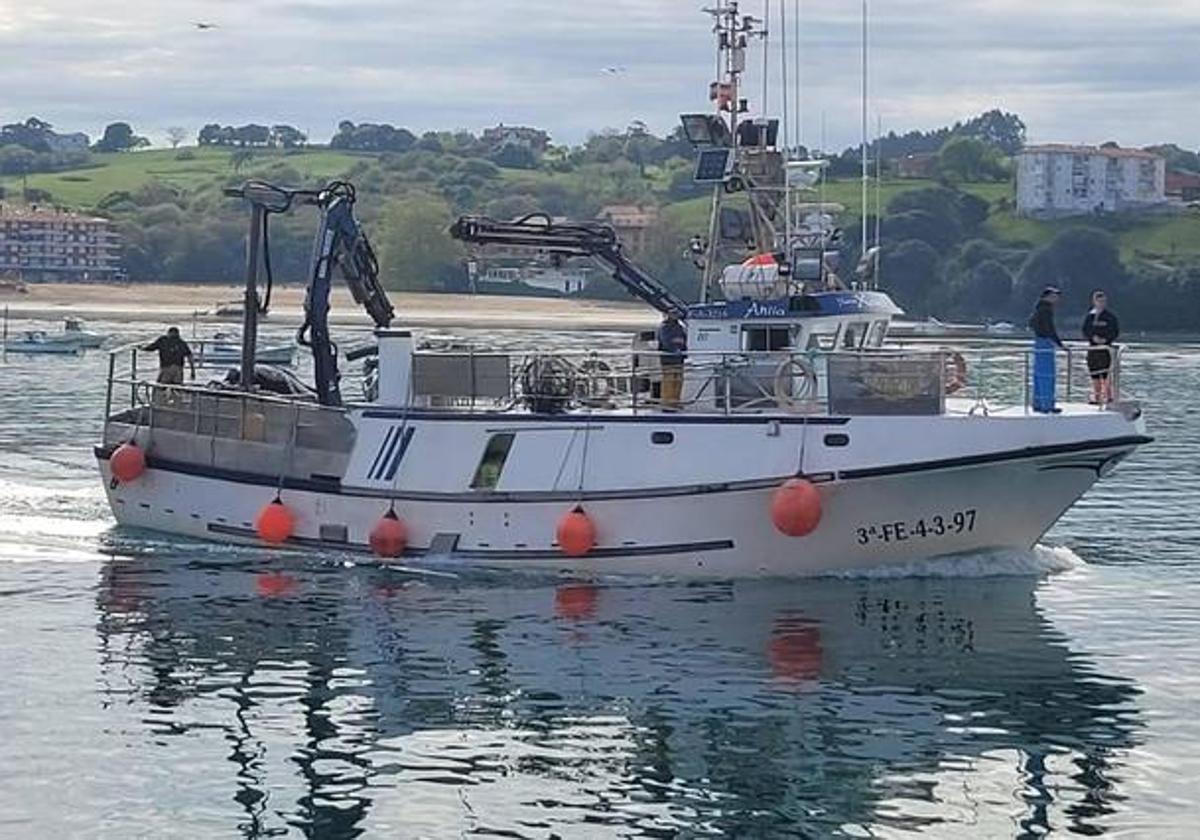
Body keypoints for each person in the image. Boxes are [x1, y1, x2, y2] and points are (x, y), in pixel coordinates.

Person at [1027, 286, 1064, 413]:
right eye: (1054, 296)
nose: (1057, 298)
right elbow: (1050, 329)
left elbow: (1031, 323)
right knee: (1047, 375)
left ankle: (1037, 403)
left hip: (1038, 343)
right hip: (1046, 343)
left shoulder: (1037, 308)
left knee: (1038, 374)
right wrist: (1060, 345)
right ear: (1047, 297)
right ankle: (1047, 405)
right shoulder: (1047, 310)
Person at [1081, 289, 1120, 405]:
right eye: (1099, 301)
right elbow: (1085, 330)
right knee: (1094, 373)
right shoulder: (1090, 316)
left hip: (1105, 349)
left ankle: (1109, 397)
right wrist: (1092, 338)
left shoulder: (1110, 317)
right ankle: (1097, 397)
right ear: (1094, 301)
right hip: (1093, 349)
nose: (1102, 303)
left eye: (1103, 301)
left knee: (1106, 373)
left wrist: (1106, 340)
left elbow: (1115, 331)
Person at [657, 311, 687, 409]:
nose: (675, 315)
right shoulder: (664, 327)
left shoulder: (680, 327)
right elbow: (666, 341)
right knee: (669, 381)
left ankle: (675, 401)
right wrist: (675, 347)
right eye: (673, 314)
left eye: (676, 314)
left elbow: (684, 340)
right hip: (668, 359)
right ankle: (667, 403)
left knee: (678, 380)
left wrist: (683, 350)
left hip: (679, 359)